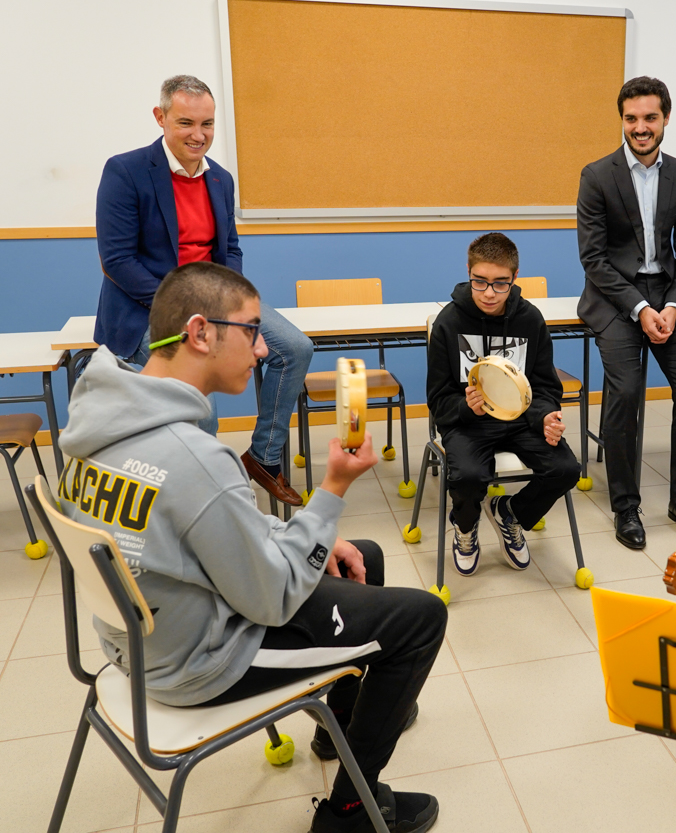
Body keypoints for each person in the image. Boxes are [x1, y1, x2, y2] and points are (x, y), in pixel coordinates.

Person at [58, 262, 446, 833]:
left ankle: (337, 726)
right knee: (421, 619)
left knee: (362, 554)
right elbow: (273, 598)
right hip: (200, 661)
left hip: (136, 642)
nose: (263, 349)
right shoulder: (194, 458)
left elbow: (210, 527)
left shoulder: (98, 426)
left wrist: (312, 533)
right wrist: (332, 490)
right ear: (200, 332)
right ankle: (349, 813)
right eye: (252, 330)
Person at [94, 74, 313, 507]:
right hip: (149, 308)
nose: (199, 135)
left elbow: (230, 250)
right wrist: (183, 308)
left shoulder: (220, 179)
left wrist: (230, 304)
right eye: (186, 123)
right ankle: (203, 502)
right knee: (202, 408)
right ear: (160, 118)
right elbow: (117, 260)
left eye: (207, 124)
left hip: (213, 299)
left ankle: (263, 458)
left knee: (295, 348)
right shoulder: (125, 171)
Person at [576, 76, 676, 550]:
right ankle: (625, 506)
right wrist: (638, 307)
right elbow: (593, 259)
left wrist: (672, 304)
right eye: (631, 119)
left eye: (650, 117)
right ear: (622, 121)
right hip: (614, 296)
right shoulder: (597, 175)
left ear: (665, 118)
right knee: (626, 392)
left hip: (667, 294)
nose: (640, 127)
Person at [426, 232, 580, 575]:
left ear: (515, 277)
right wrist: (466, 407)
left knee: (566, 469)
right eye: (479, 282)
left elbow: (545, 386)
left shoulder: (530, 319)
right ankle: (465, 528)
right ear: (468, 272)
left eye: (500, 283)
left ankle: (509, 512)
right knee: (468, 476)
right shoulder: (449, 322)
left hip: (521, 420)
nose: (489, 293)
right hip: (469, 423)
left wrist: (545, 416)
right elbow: (437, 398)